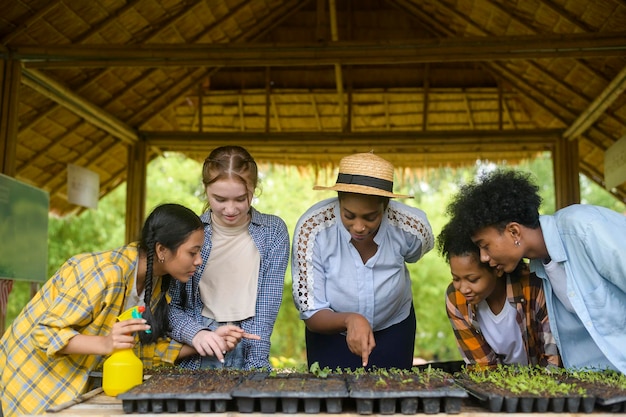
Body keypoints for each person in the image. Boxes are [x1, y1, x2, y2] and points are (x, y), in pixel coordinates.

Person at [0, 203, 247, 417]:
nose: (199, 261)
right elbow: (43, 333)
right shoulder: (105, 273)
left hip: (66, 388)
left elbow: (139, 350)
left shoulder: (153, 285)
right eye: (192, 252)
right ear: (161, 250)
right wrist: (106, 344)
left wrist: (208, 343)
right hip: (26, 382)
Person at [444, 169, 626, 373]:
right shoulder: (540, 273)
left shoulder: (584, 228)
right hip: (596, 384)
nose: (484, 257)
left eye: (484, 245)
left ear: (514, 231)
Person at [291, 152, 434, 370]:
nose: (359, 227)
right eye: (349, 216)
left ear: (386, 206)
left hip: (394, 328)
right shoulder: (312, 229)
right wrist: (349, 319)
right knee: (332, 398)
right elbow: (311, 311)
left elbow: (415, 253)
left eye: (370, 217)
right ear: (338, 199)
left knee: (391, 396)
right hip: (330, 334)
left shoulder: (412, 228)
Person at [169, 145, 289, 371]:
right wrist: (197, 335)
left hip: (250, 339)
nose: (230, 209)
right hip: (198, 345)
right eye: (220, 199)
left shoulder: (273, 231)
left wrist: (256, 364)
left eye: (241, 199)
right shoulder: (190, 233)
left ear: (253, 190)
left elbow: (267, 304)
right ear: (206, 191)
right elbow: (170, 305)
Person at [437, 218, 560, 369]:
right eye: (456, 278)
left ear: (496, 268)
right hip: (499, 386)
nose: (463, 288)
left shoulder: (533, 284)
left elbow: (553, 359)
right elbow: (483, 367)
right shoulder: (455, 298)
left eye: (472, 279)